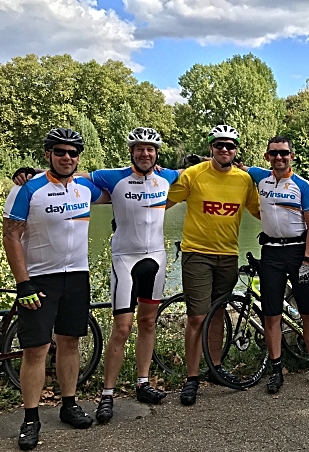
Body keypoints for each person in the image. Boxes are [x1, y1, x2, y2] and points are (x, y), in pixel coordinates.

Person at [3, 128, 109, 450]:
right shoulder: (27, 189)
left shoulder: (84, 187)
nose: (67, 158)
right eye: (60, 152)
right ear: (48, 154)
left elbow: (112, 185)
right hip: (39, 278)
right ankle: (30, 419)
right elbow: (11, 235)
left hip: (77, 276)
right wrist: (23, 284)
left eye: (73, 153)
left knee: (70, 343)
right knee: (35, 350)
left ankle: (68, 404)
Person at [87, 128, 180, 421]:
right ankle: (107, 393)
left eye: (150, 149)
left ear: (157, 153)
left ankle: (142, 382)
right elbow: (71, 176)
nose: (145, 153)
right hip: (124, 259)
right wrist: (34, 174)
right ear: (131, 151)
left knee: (149, 322)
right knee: (122, 328)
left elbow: (198, 169)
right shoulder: (111, 177)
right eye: (139, 148)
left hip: (156, 258)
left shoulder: (168, 177)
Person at [166, 125, 261, 405]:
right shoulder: (194, 175)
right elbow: (160, 203)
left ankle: (215, 367)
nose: (224, 150)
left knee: (218, 312)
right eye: (219, 145)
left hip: (228, 255)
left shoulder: (243, 180)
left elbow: (262, 210)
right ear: (210, 148)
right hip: (197, 253)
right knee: (197, 316)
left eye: (230, 146)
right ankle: (192, 377)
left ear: (236, 150)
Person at [241, 136, 309, 393]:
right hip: (271, 252)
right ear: (267, 156)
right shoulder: (260, 178)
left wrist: (307, 258)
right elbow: (235, 166)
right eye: (274, 153)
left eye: (284, 153)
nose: (279, 157)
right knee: (272, 315)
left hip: (298, 252)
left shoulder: (302, 185)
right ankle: (276, 370)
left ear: (292, 155)